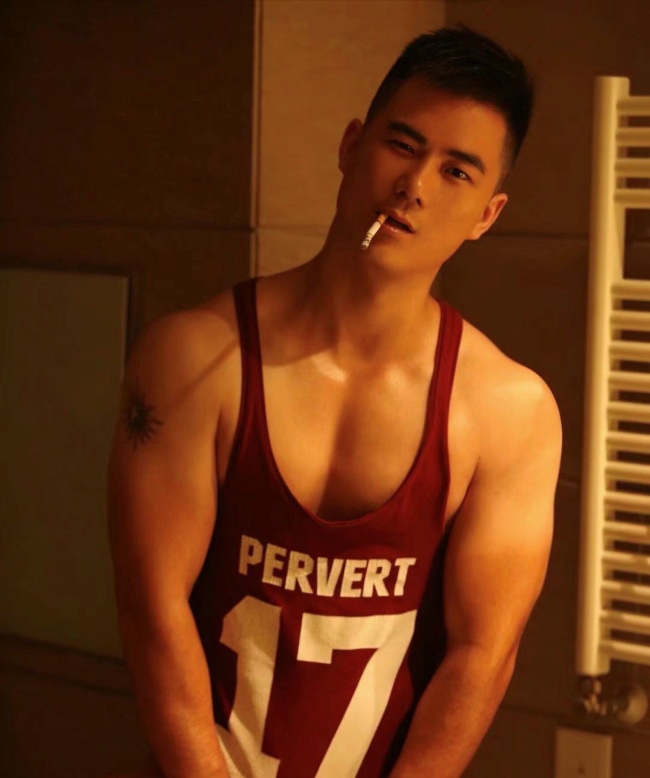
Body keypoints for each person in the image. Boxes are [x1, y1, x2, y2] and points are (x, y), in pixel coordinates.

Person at [107, 24, 562, 778]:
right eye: (403, 145)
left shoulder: (507, 410)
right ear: (352, 146)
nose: (414, 186)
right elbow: (151, 606)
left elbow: (483, 655)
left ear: (488, 214)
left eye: (457, 171)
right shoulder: (194, 359)